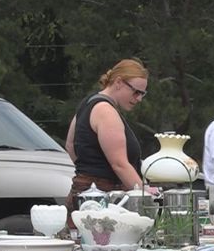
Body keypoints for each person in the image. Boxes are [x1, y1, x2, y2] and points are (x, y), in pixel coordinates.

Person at [63, 58, 149, 220]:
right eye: (136, 92)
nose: (139, 99)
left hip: (82, 194)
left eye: (143, 94)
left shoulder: (87, 103)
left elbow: (70, 145)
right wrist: (144, 194)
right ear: (118, 82)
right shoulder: (105, 111)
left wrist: (87, 172)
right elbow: (120, 164)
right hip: (104, 202)